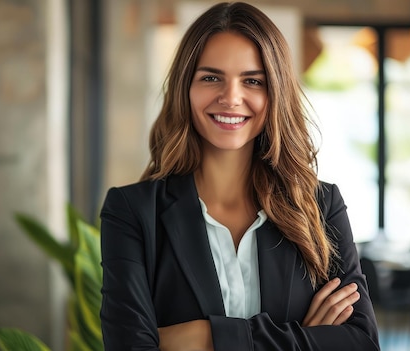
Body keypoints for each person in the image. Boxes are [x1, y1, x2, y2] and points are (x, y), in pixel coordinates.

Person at [99, 2, 380, 350]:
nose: (231, 97)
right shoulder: (131, 212)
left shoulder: (321, 206)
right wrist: (304, 339)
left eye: (252, 81)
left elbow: (361, 343)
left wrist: (206, 336)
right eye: (211, 77)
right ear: (186, 87)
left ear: (275, 92)